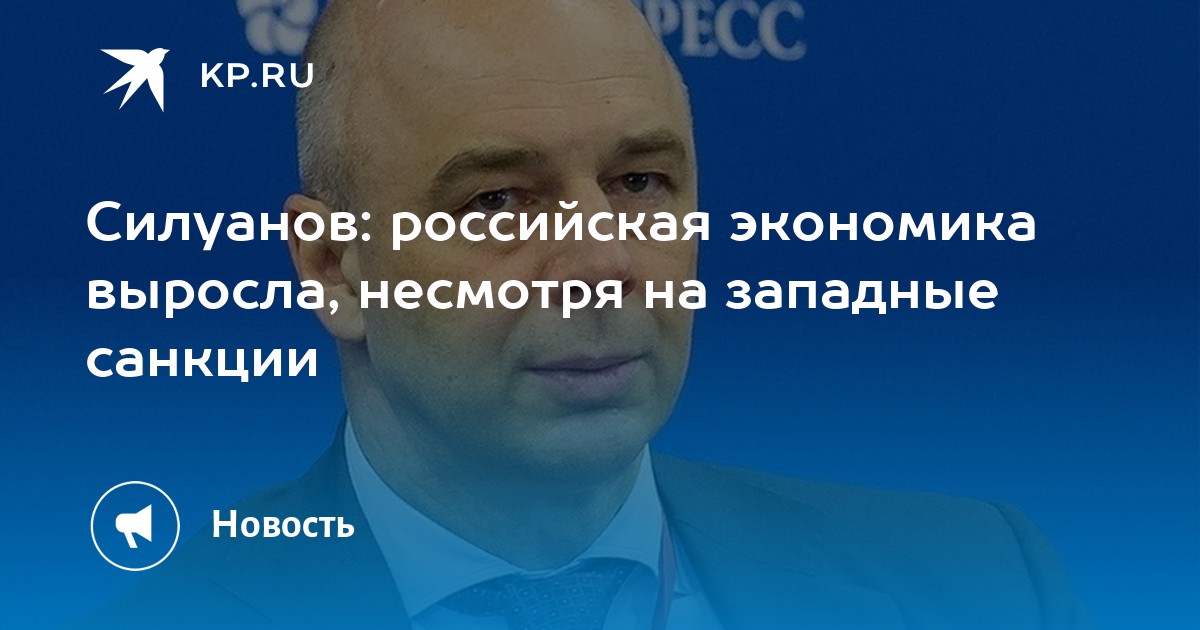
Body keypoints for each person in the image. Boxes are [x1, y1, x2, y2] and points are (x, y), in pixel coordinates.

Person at [84, 1, 1091, 628]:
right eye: (498, 201)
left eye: (640, 183)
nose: (602, 262)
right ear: (334, 269)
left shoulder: (987, 587)